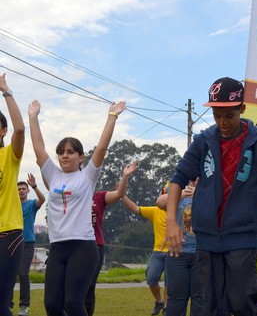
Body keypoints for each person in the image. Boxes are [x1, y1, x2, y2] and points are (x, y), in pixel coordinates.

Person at [165, 76, 257, 316]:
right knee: (212, 306)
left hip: (242, 236)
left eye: (229, 116)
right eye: (217, 115)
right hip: (207, 238)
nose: (222, 122)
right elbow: (178, 179)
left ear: (242, 109)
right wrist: (172, 221)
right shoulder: (203, 141)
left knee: (242, 299)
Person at [28, 99, 125, 316]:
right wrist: (33, 118)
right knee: (52, 305)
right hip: (58, 248)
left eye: (70, 152)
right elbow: (38, 148)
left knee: (73, 304)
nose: (64, 155)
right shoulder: (53, 175)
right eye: (61, 152)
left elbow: (102, 147)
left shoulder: (87, 176)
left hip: (83, 247)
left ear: (80, 156)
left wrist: (112, 116)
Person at [86, 161, 138, 316]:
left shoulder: (99, 196)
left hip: (95, 246)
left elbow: (119, 194)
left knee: (89, 288)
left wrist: (125, 176)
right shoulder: (69, 196)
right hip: (74, 245)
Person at [156, 179, 204, 316]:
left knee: (200, 299)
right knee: (176, 300)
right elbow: (160, 202)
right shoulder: (178, 190)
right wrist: (181, 194)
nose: (195, 180)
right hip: (177, 253)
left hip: (201, 253)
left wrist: (200, 194)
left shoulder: (208, 189)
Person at [0, 75, 25, 316]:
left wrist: (6, 91)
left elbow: (20, 128)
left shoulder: (9, 155)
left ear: (3, 130)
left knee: (1, 302)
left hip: (8, 236)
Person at [122, 191, 168, 316]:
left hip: (173, 252)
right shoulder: (155, 211)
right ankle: (159, 302)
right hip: (158, 251)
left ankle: (167, 308)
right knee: (151, 277)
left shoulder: (179, 211)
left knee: (170, 282)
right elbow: (136, 208)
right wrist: (122, 195)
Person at [12, 174, 45, 316]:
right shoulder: (11, 206)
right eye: (18, 189)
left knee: (23, 273)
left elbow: (42, 200)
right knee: (10, 275)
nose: (21, 191)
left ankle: (24, 306)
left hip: (27, 243)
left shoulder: (31, 205)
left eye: (23, 188)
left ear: (27, 191)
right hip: (12, 243)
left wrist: (35, 186)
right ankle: (7, 304)